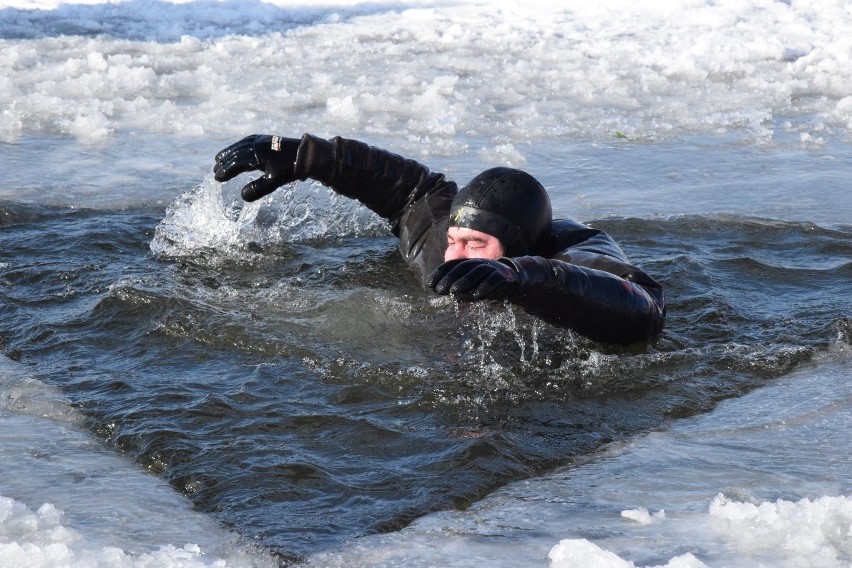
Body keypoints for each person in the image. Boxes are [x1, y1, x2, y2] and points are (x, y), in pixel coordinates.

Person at [213, 133, 666, 345]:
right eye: (454, 239)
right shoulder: (439, 249)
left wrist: (518, 277)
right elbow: (410, 189)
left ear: (522, 248)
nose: (455, 258)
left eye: (475, 246)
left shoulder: (577, 256)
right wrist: (306, 155)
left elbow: (643, 309)